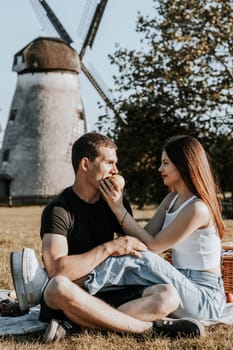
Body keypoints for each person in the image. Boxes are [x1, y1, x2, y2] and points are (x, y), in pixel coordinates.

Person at [16, 132, 204, 343]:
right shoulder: (58, 209)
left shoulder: (115, 203)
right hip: (75, 293)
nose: (115, 170)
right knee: (56, 287)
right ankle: (149, 329)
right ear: (85, 164)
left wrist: (118, 209)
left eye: (116, 164)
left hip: (112, 290)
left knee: (169, 296)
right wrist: (110, 248)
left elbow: (139, 250)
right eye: (109, 163)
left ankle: (76, 325)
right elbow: (57, 270)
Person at [88, 135, 226, 322]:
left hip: (204, 297)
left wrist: (118, 208)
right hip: (181, 283)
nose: (160, 169)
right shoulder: (172, 199)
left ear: (184, 165)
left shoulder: (197, 209)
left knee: (145, 259)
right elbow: (146, 236)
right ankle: (93, 304)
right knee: (135, 254)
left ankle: (84, 282)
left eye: (166, 163)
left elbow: (153, 247)